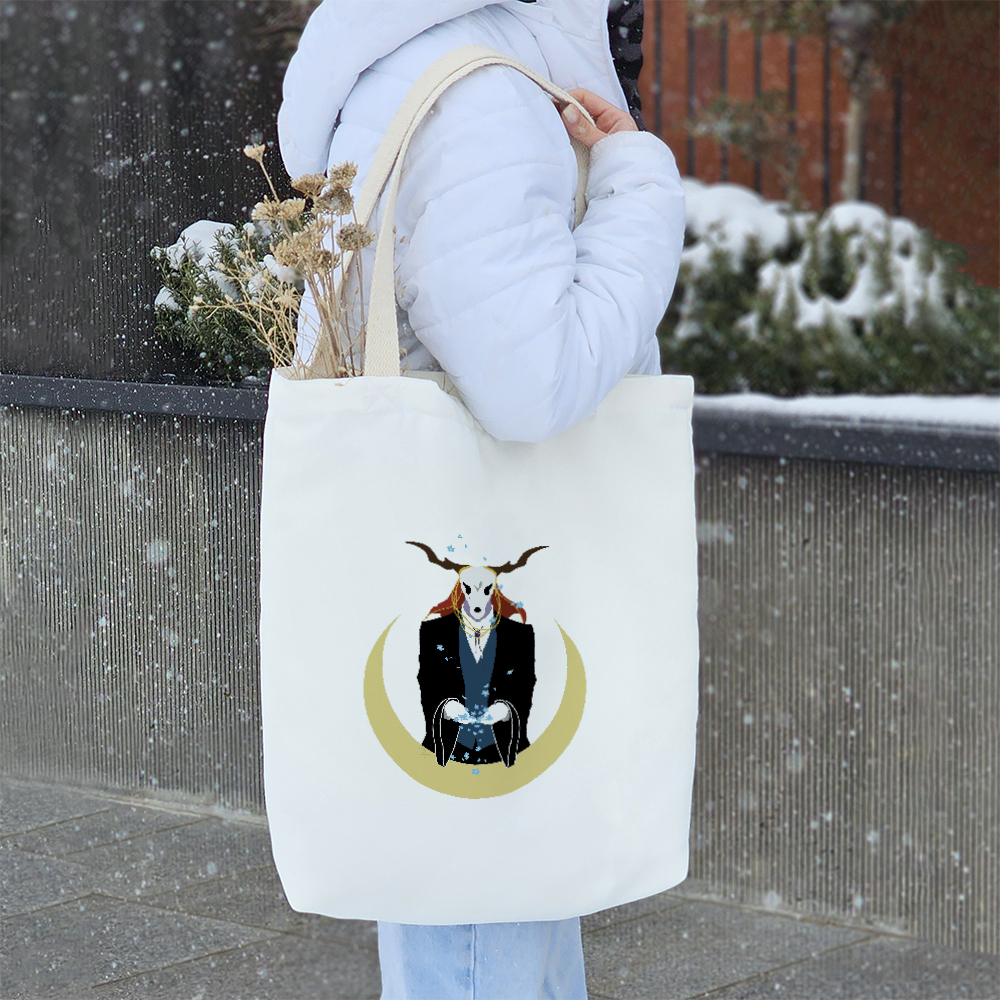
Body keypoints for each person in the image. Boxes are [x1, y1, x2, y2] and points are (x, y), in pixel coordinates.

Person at [278, 1, 684, 996]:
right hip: (493, 542)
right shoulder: (479, 95)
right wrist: (637, 185)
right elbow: (532, 384)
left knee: (487, 889)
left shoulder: (432, 60)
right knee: (483, 910)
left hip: (461, 537)